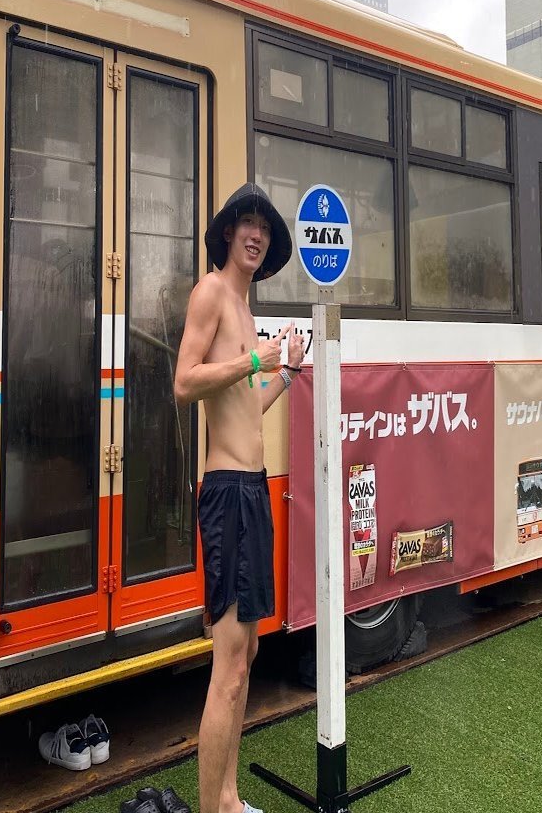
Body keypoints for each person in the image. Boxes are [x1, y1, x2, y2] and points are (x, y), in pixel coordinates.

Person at [174, 182, 306, 813]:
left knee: (247, 653)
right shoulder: (211, 292)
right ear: (228, 233)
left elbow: (245, 409)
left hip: (253, 490)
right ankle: (213, 809)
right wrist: (254, 361)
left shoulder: (247, 311)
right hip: (227, 494)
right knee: (228, 667)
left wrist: (284, 373)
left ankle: (227, 799)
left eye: (265, 228)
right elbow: (183, 382)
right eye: (247, 223)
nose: (256, 234)